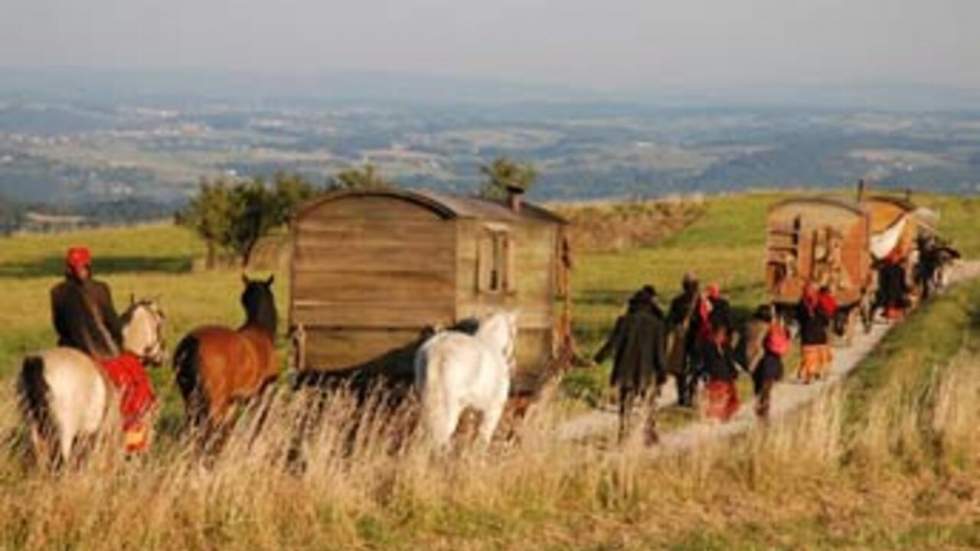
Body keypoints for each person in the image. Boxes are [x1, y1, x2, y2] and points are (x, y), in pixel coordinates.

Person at [50, 246, 156, 453]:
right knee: (135, 388)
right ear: (89, 266)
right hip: (102, 352)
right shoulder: (100, 289)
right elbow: (113, 324)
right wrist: (119, 343)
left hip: (71, 348)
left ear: (68, 268)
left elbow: (59, 325)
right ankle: (133, 444)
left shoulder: (56, 292)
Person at [595, 287, 667, 444]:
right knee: (649, 403)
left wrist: (597, 360)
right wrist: (662, 372)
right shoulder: (657, 325)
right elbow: (659, 352)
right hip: (647, 371)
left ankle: (623, 434)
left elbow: (612, 344)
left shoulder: (623, 321)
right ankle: (649, 433)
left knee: (625, 403)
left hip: (625, 369)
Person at [667, 273, 701, 407]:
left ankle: (682, 396)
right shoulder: (700, 301)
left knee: (679, 368)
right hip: (697, 338)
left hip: (681, 337)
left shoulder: (677, 301)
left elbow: (670, 320)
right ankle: (692, 394)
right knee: (695, 367)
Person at [700, 323, 740, 422]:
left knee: (716, 398)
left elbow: (704, 362)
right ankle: (723, 416)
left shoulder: (706, 345)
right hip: (724, 376)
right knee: (725, 398)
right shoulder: (724, 346)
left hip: (713, 376)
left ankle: (714, 416)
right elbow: (729, 361)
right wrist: (734, 373)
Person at [753, 313, 789, 420]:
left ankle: (762, 409)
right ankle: (763, 409)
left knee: (762, 387)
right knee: (767, 388)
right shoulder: (781, 331)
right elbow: (785, 346)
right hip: (775, 362)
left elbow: (760, 344)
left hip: (765, 361)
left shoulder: (765, 330)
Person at [795, 282, 831, 384]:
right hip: (820, 335)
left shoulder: (801, 304)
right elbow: (826, 319)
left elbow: (798, 318)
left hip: (807, 335)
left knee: (808, 357)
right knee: (820, 355)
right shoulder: (820, 302)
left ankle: (809, 375)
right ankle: (818, 371)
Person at [877, 249, 911, 321]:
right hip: (888, 290)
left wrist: (906, 289)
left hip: (897, 290)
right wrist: (882, 291)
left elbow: (902, 281)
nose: (894, 258)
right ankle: (889, 317)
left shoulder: (900, 269)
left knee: (898, 305)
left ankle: (896, 318)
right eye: (892, 257)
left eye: (896, 257)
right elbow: (881, 282)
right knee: (890, 304)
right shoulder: (884, 269)